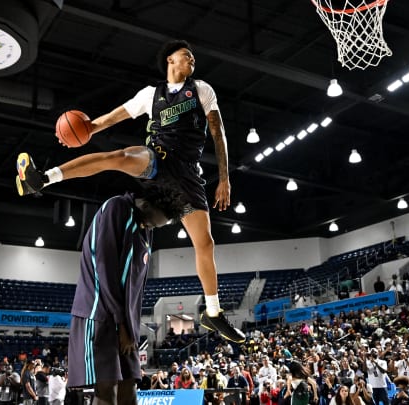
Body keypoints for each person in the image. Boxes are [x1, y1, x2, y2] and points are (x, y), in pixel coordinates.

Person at [15, 39, 244, 344]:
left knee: (205, 243)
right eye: (185, 56)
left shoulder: (201, 89)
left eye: (192, 57)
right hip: (157, 160)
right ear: (169, 61)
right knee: (118, 158)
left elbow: (218, 132)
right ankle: (43, 178)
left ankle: (213, 313)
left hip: (188, 174)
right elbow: (108, 119)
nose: (191, 60)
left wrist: (224, 178)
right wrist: (81, 131)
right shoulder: (150, 95)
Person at [66, 183, 186, 405]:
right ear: (145, 205)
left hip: (122, 319)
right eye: (150, 221)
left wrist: (130, 327)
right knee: (106, 388)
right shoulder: (116, 207)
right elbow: (105, 269)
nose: (150, 226)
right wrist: (122, 324)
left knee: (130, 383)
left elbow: (134, 287)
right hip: (98, 312)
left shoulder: (145, 229)